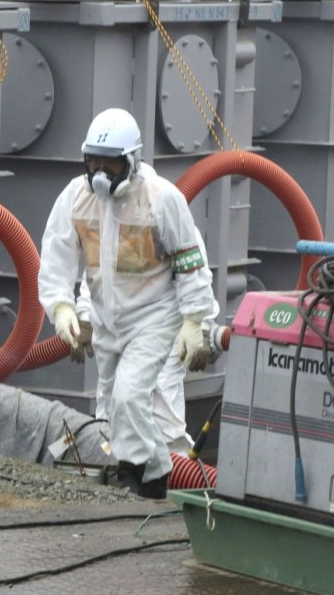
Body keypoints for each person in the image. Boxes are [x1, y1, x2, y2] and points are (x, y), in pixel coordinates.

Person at [38, 108, 218, 499]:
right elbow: (61, 258)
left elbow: (191, 262)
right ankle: (153, 475)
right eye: (93, 161)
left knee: (130, 395)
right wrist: (67, 310)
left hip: (155, 317)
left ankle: (140, 472)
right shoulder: (77, 198)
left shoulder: (161, 199)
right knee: (112, 405)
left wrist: (196, 322)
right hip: (107, 321)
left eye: (111, 163)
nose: (100, 173)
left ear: (132, 160)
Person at [71, 227, 222, 458]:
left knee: (162, 413)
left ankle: (174, 475)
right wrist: (84, 317)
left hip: (165, 329)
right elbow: (95, 271)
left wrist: (201, 326)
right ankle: (111, 475)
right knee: (111, 409)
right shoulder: (108, 216)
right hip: (116, 329)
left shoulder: (173, 219)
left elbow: (196, 276)